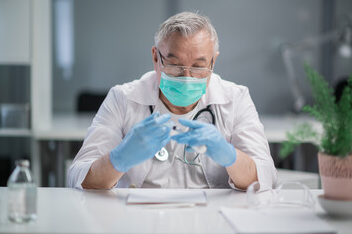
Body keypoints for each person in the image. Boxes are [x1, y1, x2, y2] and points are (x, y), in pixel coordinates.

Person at [68, 11, 277, 191]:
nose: (186, 77)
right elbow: (78, 177)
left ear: (213, 62)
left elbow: (266, 176)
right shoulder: (123, 98)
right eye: (174, 65)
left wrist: (230, 156)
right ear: (155, 57)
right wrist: (119, 158)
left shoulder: (236, 99)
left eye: (198, 66)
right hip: (137, 219)